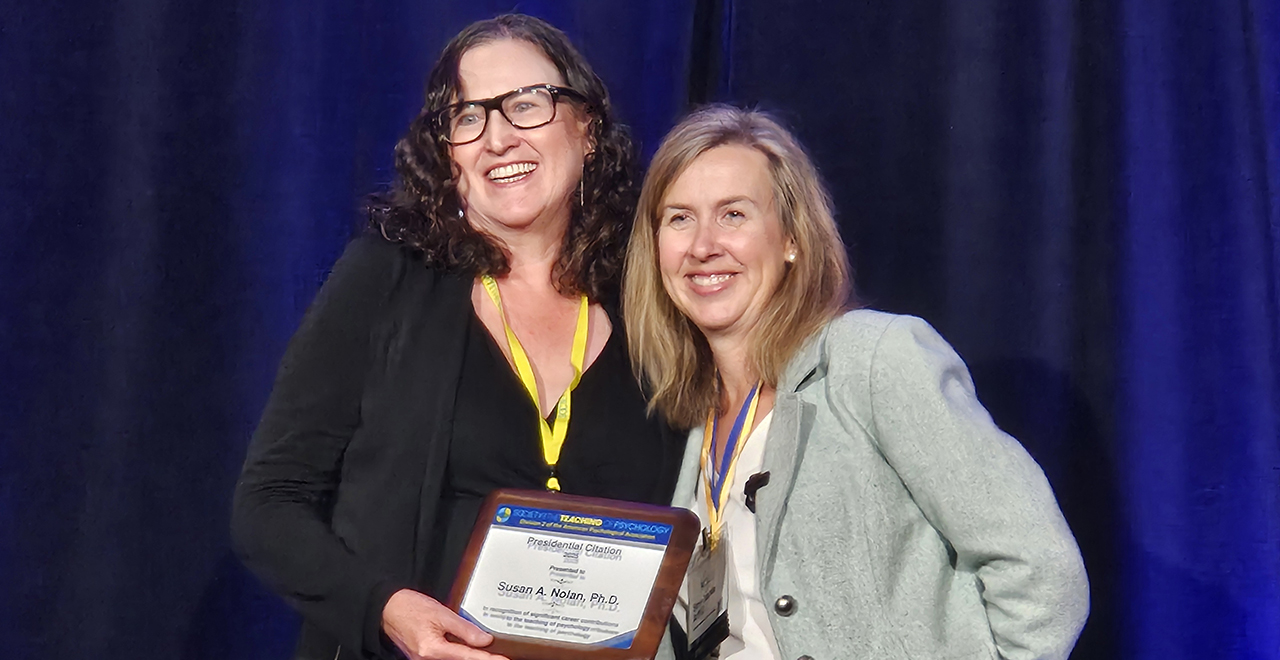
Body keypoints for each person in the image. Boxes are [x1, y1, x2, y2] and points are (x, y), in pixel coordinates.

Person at [232, 15, 683, 660]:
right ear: (447, 153)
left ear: (586, 129)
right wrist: (387, 609)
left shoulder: (648, 296)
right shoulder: (387, 279)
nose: (497, 137)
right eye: (468, 117)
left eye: (525, 105)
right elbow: (268, 505)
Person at [623, 105, 1089, 660]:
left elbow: (1042, 572)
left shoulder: (873, 358)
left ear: (792, 238)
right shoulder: (684, 418)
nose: (703, 246)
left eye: (733, 214)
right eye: (679, 218)